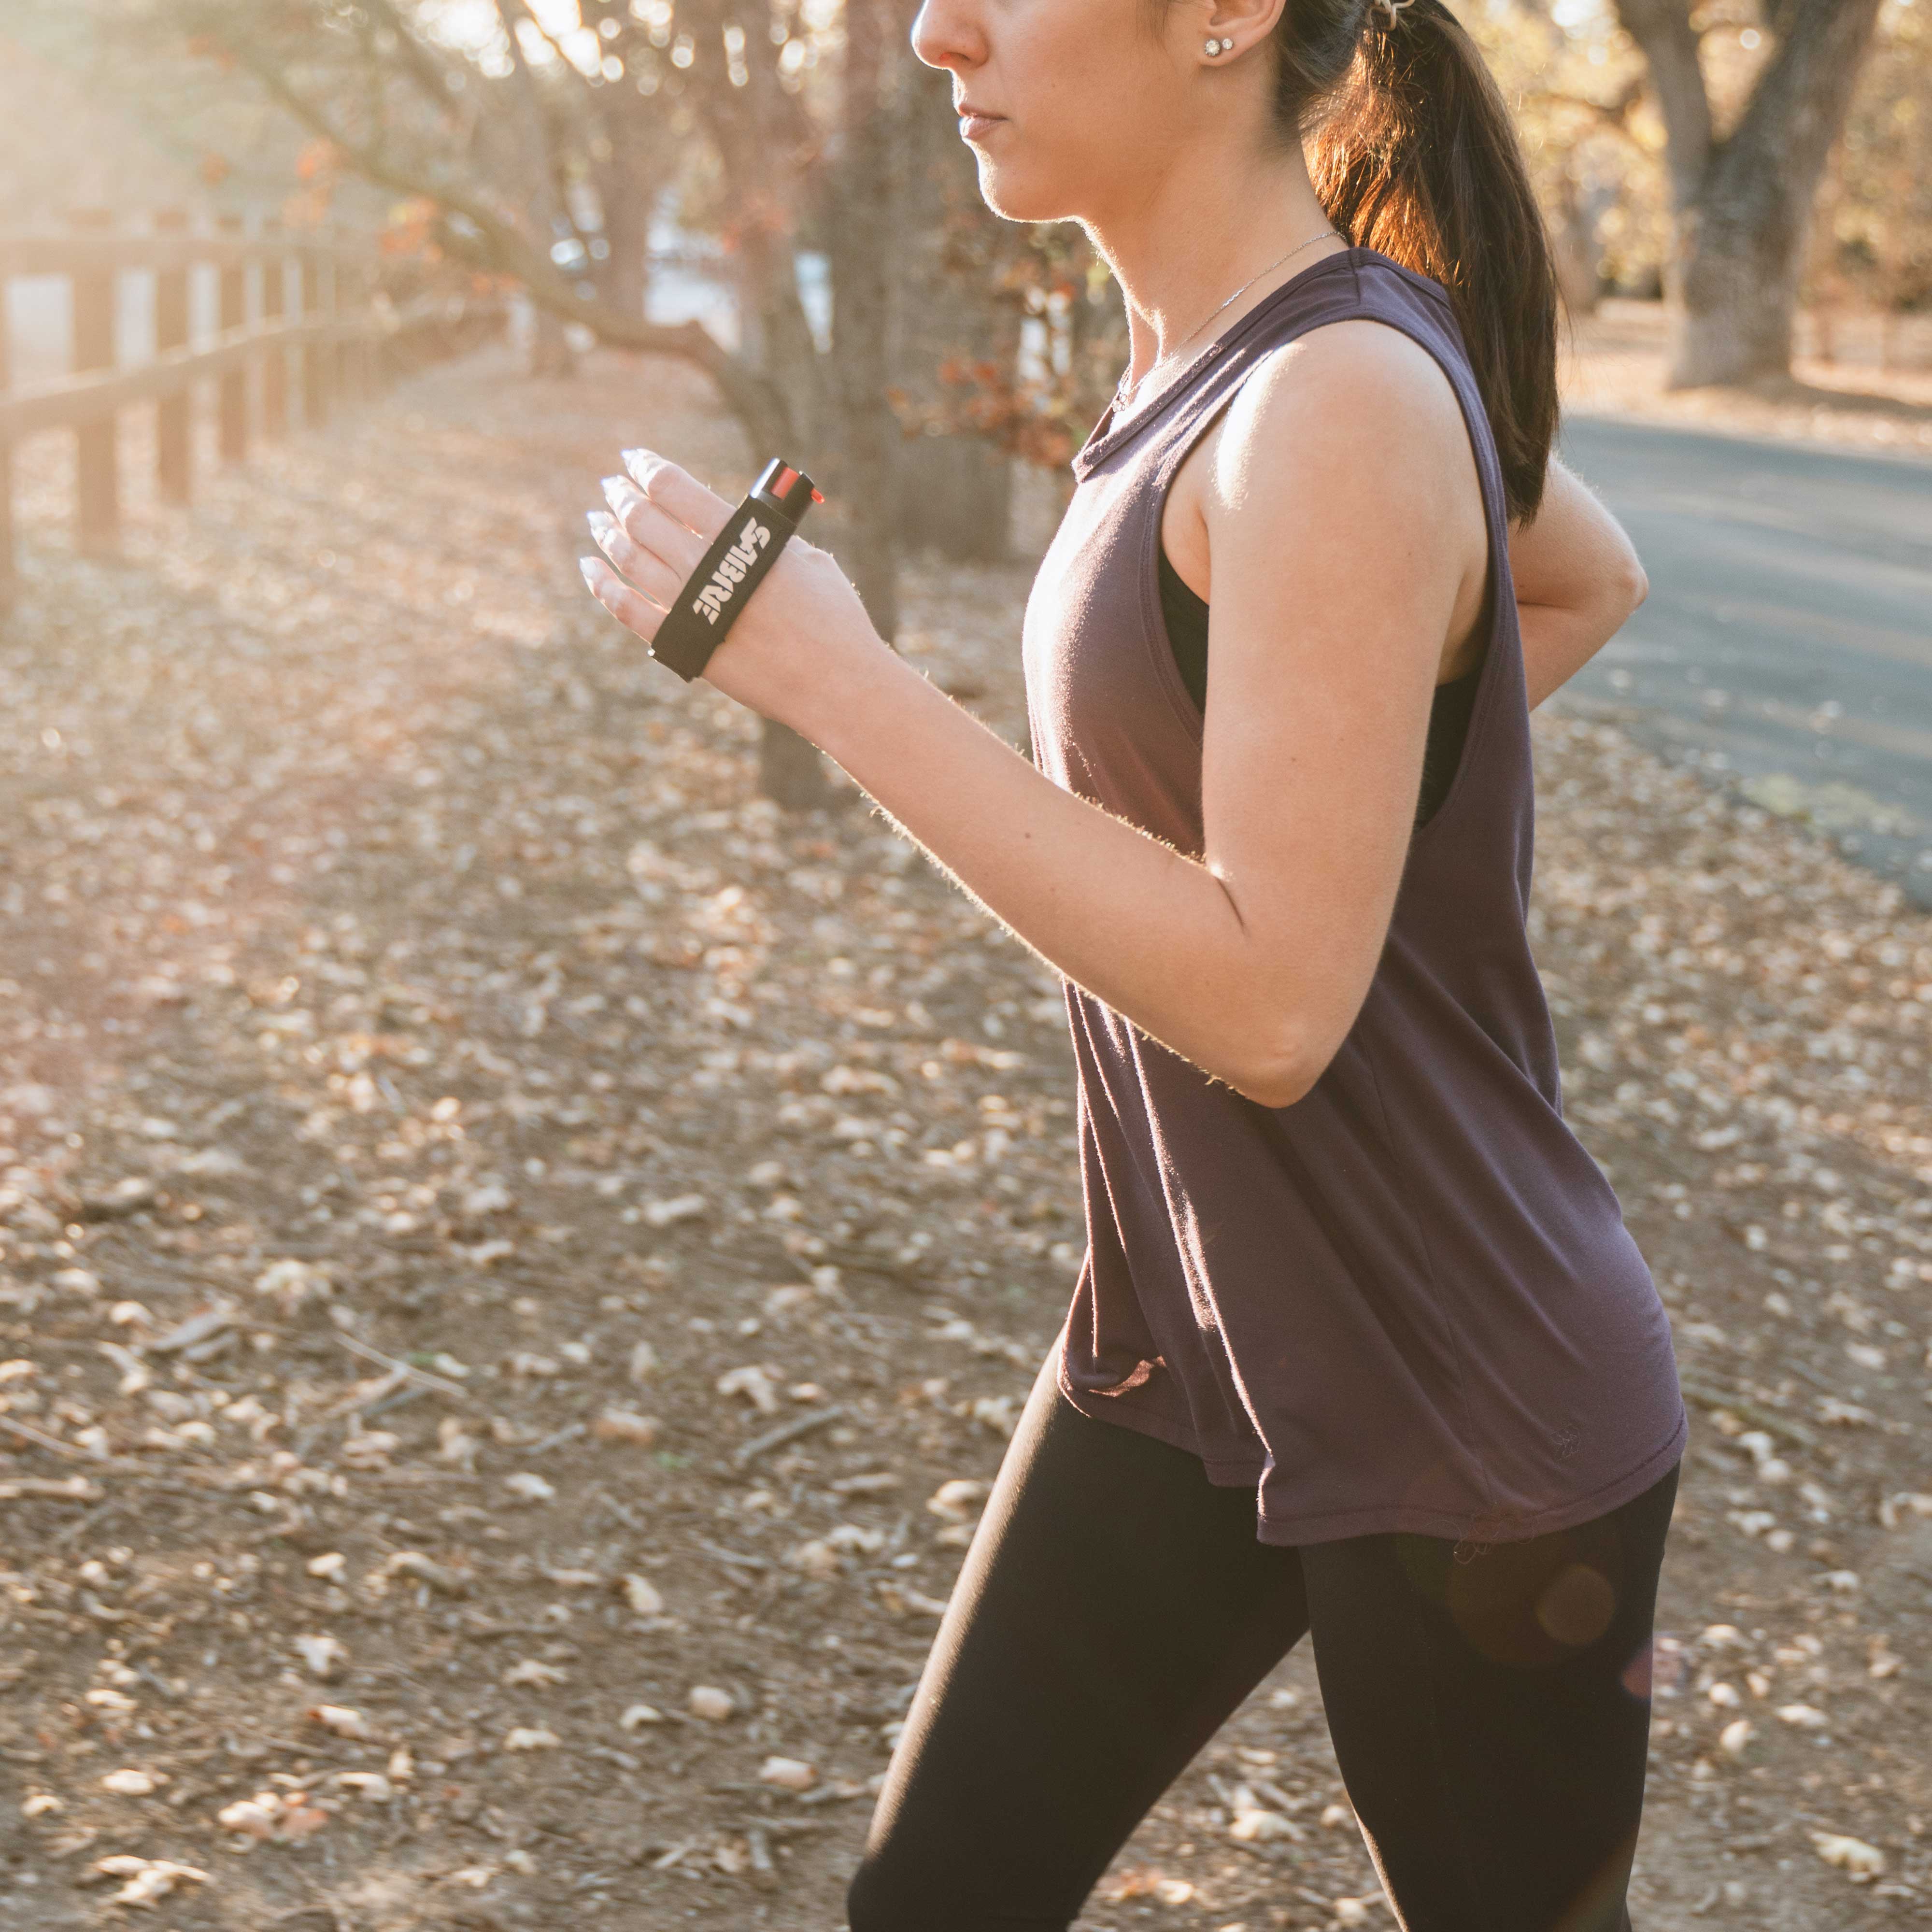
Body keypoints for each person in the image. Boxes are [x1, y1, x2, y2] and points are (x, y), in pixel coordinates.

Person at [578, 0, 1690, 1922]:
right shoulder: (1216, 353)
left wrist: (833, 681)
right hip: (1190, 1345)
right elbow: (1579, 579)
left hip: (1461, 1407)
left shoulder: (1334, 393)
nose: (937, 33)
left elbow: (1269, 1005)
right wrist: (1339, 771)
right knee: (935, 1903)